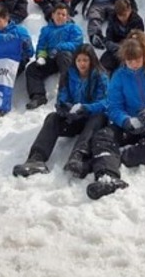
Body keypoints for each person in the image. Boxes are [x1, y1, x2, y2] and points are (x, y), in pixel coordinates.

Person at [86, 31, 145, 200]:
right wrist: (125, 120)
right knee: (102, 137)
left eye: (137, 59)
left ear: (144, 56)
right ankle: (107, 177)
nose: (134, 64)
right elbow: (114, 106)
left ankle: (113, 157)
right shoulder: (119, 77)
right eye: (130, 61)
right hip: (129, 124)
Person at [13, 44, 108, 178]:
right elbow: (62, 96)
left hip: (90, 120)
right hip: (73, 118)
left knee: (99, 117)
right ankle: (36, 158)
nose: (82, 64)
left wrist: (86, 108)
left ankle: (78, 156)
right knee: (52, 117)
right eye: (79, 60)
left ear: (92, 60)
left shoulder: (100, 76)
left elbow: (104, 102)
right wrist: (64, 108)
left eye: (85, 60)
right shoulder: (69, 74)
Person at [25, 4, 84, 110]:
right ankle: (38, 96)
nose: (60, 16)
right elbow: (41, 45)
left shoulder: (73, 28)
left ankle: (66, 94)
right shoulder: (46, 30)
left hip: (68, 57)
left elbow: (77, 43)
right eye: (58, 14)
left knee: (64, 56)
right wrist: (41, 57)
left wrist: (60, 47)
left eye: (63, 14)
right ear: (53, 15)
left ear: (67, 17)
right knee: (32, 68)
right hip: (51, 58)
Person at [100, 0, 145, 74]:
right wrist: (116, 48)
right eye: (119, 15)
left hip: (131, 51)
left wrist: (125, 48)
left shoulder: (137, 21)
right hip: (115, 50)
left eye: (124, 15)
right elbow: (108, 39)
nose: (122, 18)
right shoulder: (112, 19)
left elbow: (139, 41)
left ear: (129, 10)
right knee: (103, 65)